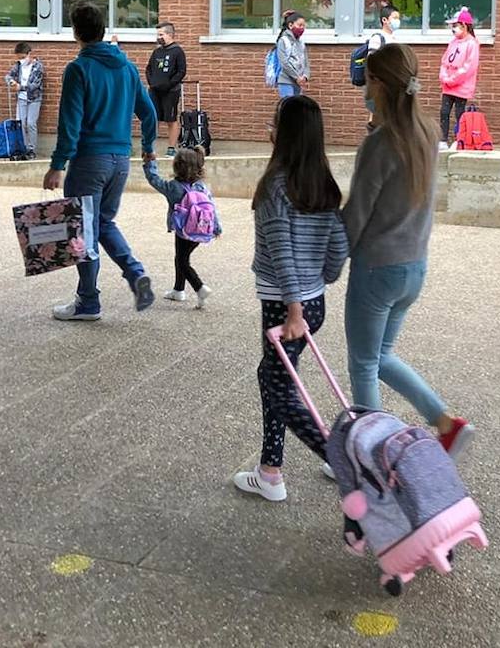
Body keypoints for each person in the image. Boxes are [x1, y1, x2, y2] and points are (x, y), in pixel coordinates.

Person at [344, 43, 474, 457]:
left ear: (379, 84)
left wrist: (325, 263)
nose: (364, 87)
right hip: (413, 268)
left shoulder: (380, 143)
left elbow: (356, 216)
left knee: (364, 364)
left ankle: (371, 453)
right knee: (381, 356)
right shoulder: (427, 135)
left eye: (367, 80)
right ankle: (445, 423)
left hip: (376, 271)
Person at [233, 95, 349, 502]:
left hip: (286, 306)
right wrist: (322, 279)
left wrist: (294, 308)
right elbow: (338, 245)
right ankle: (270, 470)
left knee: (276, 385)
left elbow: (281, 252)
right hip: (313, 301)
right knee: (276, 379)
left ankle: (341, 457)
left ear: (283, 133)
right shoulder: (323, 183)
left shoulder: (275, 186)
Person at [45, 1, 158, 321]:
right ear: (103, 29)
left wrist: (57, 164)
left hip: (89, 162)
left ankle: (88, 302)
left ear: (75, 31)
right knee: (103, 223)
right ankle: (136, 275)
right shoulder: (127, 67)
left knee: (83, 230)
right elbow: (148, 113)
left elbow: (71, 122)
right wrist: (148, 147)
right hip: (120, 161)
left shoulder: (78, 69)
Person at [142, 147, 221, 307]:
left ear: (177, 166)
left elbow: (154, 179)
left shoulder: (173, 187)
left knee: (182, 260)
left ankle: (199, 287)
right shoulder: (201, 187)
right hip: (200, 229)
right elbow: (211, 207)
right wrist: (216, 227)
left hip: (184, 230)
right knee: (182, 258)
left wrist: (150, 162)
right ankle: (178, 290)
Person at [438, 6, 479, 148]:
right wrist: (443, 76)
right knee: (444, 112)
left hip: (461, 87)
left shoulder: (472, 44)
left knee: (459, 114)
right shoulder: (453, 42)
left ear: (464, 26)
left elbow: (469, 67)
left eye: (456, 26)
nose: (453, 29)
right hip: (448, 86)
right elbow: (445, 61)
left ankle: (459, 139)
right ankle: (442, 139)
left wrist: (453, 79)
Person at [145, 22, 187, 156]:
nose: (158, 37)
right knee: (153, 118)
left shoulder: (177, 51)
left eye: (161, 34)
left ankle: (171, 148)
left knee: (171, 119)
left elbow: (181, 71)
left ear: (169, 34)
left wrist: (169, 84)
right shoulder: (157, 51)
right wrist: (152, 83)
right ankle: (150, 148)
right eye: (158, 35)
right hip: (154, 91)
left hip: (170, 91)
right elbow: (149, 68)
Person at [362, 3, 401, 125]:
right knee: (376, 113)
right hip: (380, 84)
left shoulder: (394, 39)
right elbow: (371, 61)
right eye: (394, 18)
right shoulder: (377, 38)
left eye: (398, 18)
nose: (397, 21)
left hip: (392, 83)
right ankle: (373, 139)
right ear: (384, 20)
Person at [5, 42, 44, 157]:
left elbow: (35, 85)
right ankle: (22, 147)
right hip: (21, 99)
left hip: (34, 99)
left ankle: (31, 149)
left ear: (29, 54)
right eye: (19, 58)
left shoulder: (38, 66)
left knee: (31, 123)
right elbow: (8, 76)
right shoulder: (18, 65)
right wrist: (11, 81)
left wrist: (20, 87)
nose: (21, 60)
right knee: (20, 123)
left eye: (23, 57)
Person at [275, 10, 309, 98]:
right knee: (288, 108)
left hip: (299, 82)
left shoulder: (301, 42)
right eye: (299, 25)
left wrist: (305, 76)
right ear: (290, 25)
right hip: (286, 81)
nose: (302, 28)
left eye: (304, 26)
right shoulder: (283, 41)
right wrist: (296, 77)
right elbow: (284, 63)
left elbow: (306, 62)